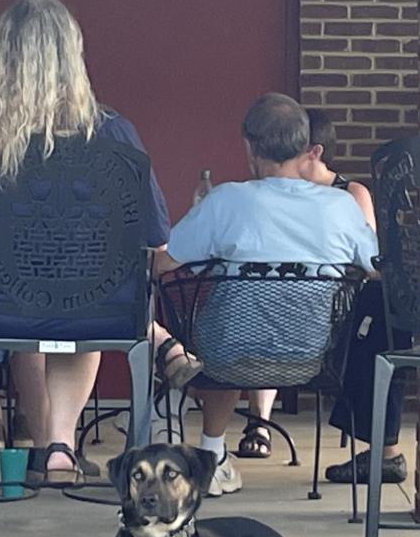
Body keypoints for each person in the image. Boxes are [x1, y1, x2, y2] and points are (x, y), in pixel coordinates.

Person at [0, 0, 170, 487]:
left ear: (3, 59)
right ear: (74, 55)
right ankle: (61, 442)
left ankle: (49, 446)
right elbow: (152, 229)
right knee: (79, 304)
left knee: (44, 298)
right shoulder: (114, 132)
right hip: (95, 302)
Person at [159, 93, 377, 495]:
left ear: (250, 146)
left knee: (221, 326)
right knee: (234, 326)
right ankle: (213, 454)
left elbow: (165, 262)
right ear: (305, 147)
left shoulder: (225, 200)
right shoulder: (342, 207)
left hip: (224, 356)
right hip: (313, 356)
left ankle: (208, 450)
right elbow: (375, 266)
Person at [238, 108, 376, 460]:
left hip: (334, 308)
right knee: (262, 301)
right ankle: (260, 421)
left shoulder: (350, 194)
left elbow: (368, 260)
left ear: (314, 152)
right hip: (280, 300)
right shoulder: (275, 194)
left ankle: (256, 422)